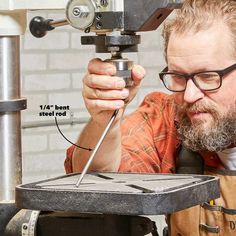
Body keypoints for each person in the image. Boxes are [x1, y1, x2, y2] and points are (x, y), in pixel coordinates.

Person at [64, 0, 236, 235]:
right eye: (178, 76)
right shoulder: (169, 118)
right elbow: (97, 180)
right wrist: (105, 120)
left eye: (207, 76)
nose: (189, 94)